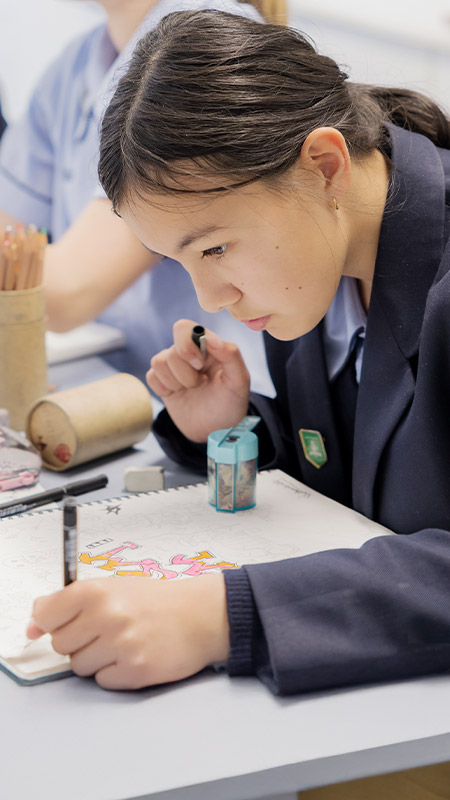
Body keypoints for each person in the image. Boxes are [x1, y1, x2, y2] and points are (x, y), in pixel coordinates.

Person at [27, 5, 450, 776]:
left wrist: (225, 616)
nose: (211, 298)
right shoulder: (321, 268)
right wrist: (232, 432)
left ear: (323, 165)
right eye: (178, 263)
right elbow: (371, 475)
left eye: (215, 247)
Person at [0, 0, 283, 390]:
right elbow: (9, 235)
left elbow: (62, 291)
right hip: (120, 390)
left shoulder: (199, 45)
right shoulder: (76, 63)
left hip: (222, 403)